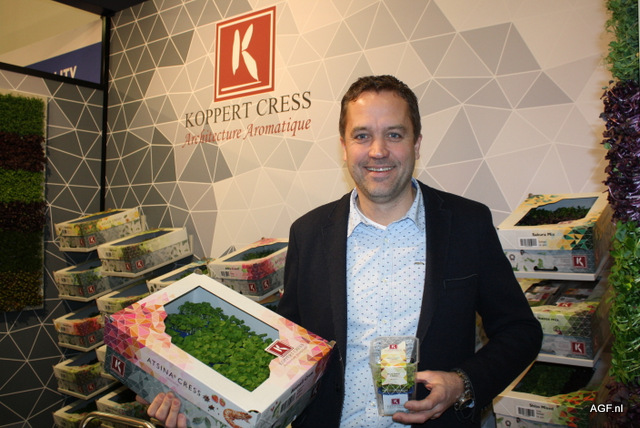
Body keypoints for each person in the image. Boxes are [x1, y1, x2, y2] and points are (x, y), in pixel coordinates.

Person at [146, 75, 543, 427]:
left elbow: (520, 331)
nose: (378, 151)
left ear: (417, 143)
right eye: (362, 135)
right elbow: (287, 350)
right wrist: (198, 398)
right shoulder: (309, 233)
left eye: (394, 134)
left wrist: (462, 383)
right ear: (344, 146)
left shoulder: (467, 224)